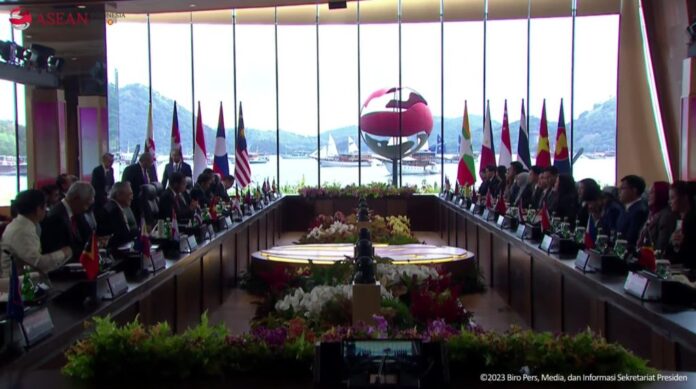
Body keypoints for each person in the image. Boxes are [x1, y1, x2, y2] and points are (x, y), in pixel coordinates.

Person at [0, 190, 72, 282]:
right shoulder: (22, 231)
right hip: (16, 285)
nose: (46, 210)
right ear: (38, 209)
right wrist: (63, 253)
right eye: (45, 206)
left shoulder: (22, 224)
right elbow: (38, 263)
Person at [40, 182, 95, 262]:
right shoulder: (55, 216)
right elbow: (56, 251)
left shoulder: (77, 211)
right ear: (76, 199)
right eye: (86, 204)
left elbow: (88, 237)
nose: (86, 208)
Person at [96, 182, 139, 248]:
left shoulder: (115, 206)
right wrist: (139, 232)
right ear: (119, 195)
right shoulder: (113, 210)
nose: (132, 198)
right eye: (130, 194)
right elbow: (123, 236)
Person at [636, 181, 677, 252]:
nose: (648, 195)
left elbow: (661, 245)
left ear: (660, 194)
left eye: (652, 192)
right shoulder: (652, 213)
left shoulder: (666, 216)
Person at [666, 181, 696, 267]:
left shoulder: (692, 220)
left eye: (672, 198)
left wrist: (683, 243)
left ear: (685, 198)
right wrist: (671, 242)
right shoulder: (675, 219)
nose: (669, 201)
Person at [616, 175, 649, 248]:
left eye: (623, 188)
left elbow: (631, 238)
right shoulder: (625, 208)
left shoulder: (639, 211)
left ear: (634, 190)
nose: (619, 191)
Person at [122, 152, 156, 221]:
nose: (152, 164)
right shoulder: (130, 170)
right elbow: (125, 187)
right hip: (134, 204)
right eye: (151, 162)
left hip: (144, 204)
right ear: (145, 161)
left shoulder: (148, 171)